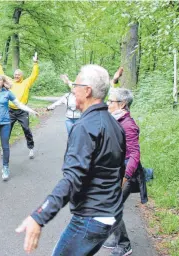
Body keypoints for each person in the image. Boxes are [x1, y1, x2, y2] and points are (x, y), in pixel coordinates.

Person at [15, 65, 126, 255]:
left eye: (76, 85)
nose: (73, 89)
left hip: (91, 218)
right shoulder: (114, 124)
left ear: (87, 90)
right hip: (110, 215)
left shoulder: (84, 127)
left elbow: (72, 179)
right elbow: (118, 170)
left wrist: (39, 217)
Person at [104, 88, 148, 256]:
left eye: (111, 101)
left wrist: (125, 176)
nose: (107, 104)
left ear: (122, 104)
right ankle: (117, 238)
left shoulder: (128, 125)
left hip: (125, 174)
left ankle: (124, 244)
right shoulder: (115, 119)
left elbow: (134, 154)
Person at [0, 52, 39, 159]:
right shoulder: (10, 81)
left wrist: (35, 63)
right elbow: (1, 74)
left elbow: (34, 75)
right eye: (15, 74)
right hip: (10, 110)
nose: (16, 76)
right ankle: (4, 148)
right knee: (7, 129)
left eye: (18, 74)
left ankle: (31, 148)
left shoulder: (26, 83)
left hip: (22, 110)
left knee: (26, 128)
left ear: (21, 76)